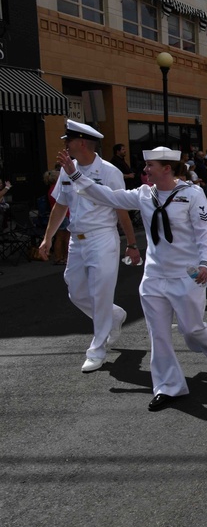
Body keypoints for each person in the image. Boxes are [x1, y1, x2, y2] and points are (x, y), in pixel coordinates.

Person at [56, 145, 207, 411]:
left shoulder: (192, 194)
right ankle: (169, 387)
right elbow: (108, 196)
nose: (144, 171)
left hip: (187, 274)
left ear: (166, 169)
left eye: (150, 167)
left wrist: (205, 262)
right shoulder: (144, 195)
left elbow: (205, 232)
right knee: (158, 334)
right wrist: (76, 176)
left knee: (191, 330)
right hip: (155, 276)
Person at [38, 120, 138, 373]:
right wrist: (47, 237)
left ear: (81, 142)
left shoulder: (109, 171)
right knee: (76, 291)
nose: (65, 145)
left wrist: (132, 244)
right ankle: (114, 316)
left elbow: (121, 208)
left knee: (100, 294)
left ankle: (97, 348)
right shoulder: (66, 171)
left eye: (68, 141)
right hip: (76, 239)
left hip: (102, 237)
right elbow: (61, 205)